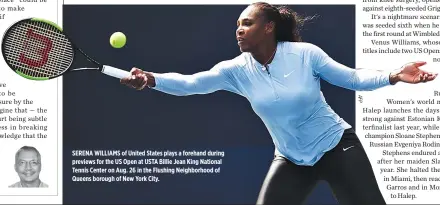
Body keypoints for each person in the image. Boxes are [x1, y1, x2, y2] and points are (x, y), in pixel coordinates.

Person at [121, 2, 436, 205]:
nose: (239, 30)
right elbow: (192, 84)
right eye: (237, 26)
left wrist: (393, 75)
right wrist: (152, 79)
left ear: (268, 27)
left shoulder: (305, 55)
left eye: (247, 23)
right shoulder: (235, 70)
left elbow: (351, 79)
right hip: (291, 160)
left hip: (338, 148)